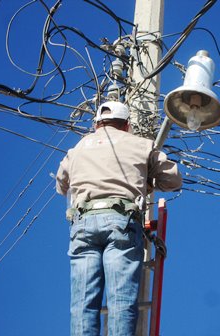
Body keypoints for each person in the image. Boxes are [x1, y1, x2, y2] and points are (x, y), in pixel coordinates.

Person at [55, 101, 182, 336]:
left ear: (96, 124)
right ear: (126, 125)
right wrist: (146, 181)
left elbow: (61, 185)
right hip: (121, 222)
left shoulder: (78, 148)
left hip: (83, 224)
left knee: (83, 304)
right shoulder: (141, 144)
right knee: (121, 300)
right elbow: (173, 181)